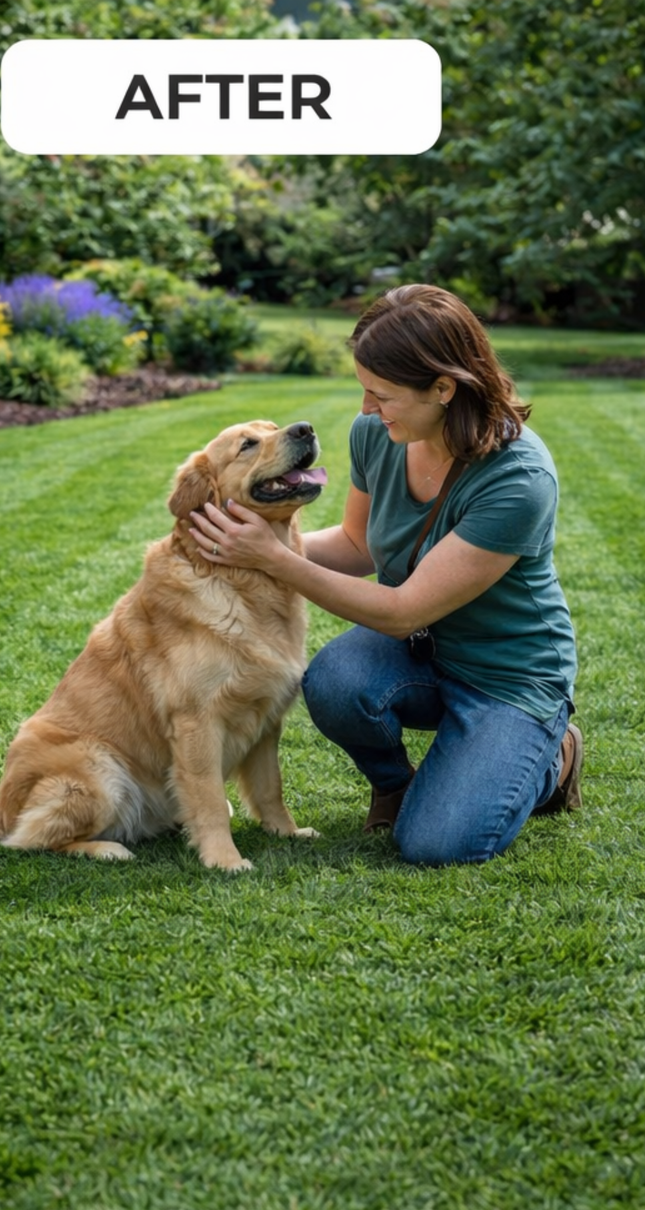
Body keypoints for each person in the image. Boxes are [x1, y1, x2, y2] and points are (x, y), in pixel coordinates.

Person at [186, 284, 580, 866]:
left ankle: (554, 757)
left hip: (507, 677)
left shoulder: (519, 479)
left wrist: (272, 558)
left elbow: (404, 611)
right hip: (423, 655)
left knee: (437, 844)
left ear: (444, 388)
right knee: (336, 680)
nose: (367, 408)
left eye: (382, 394)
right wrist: (240, 547)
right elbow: (355, 545)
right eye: (364, 390)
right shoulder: (378, 434)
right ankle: (396, 784)